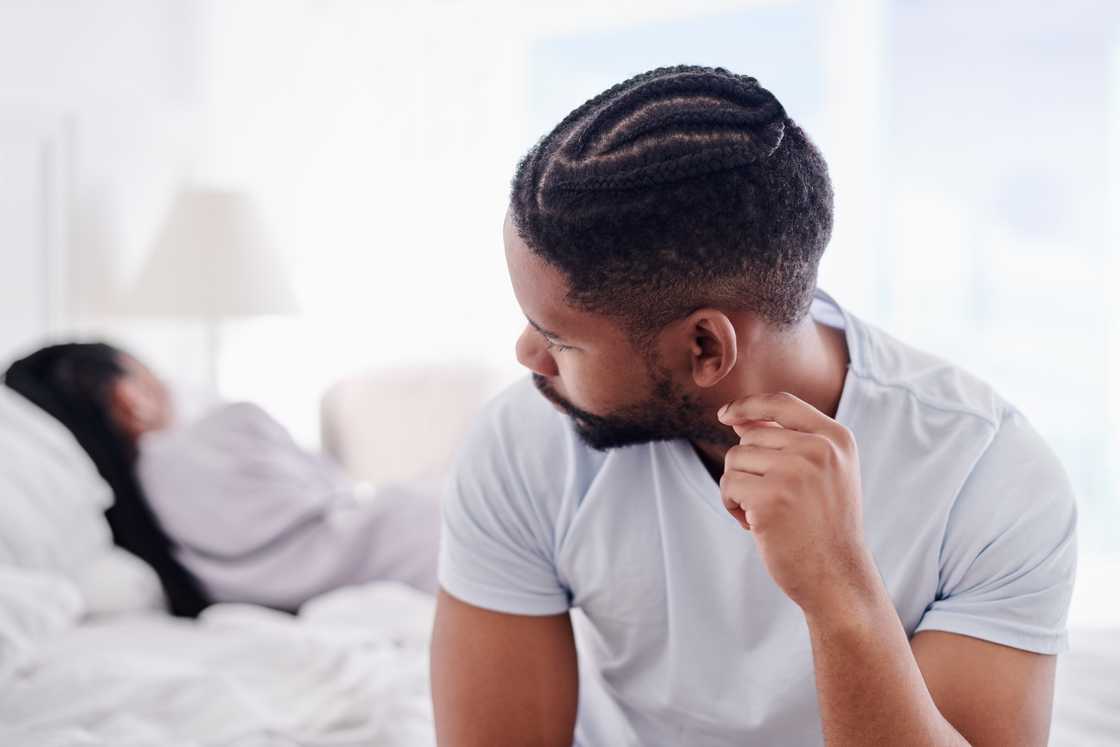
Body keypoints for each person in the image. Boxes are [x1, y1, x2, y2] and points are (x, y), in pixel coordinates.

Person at [430, 66, 1077, 746]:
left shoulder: (989, 474)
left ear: (706, 346)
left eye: (560, 340)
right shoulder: (523, 440)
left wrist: (838, 592)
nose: (526, 354)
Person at [5, 343, 440, 614]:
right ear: (129, 399)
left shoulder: (136, 530)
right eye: (155, 377)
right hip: (429, 537)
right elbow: (339, 490)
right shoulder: (219, 432)